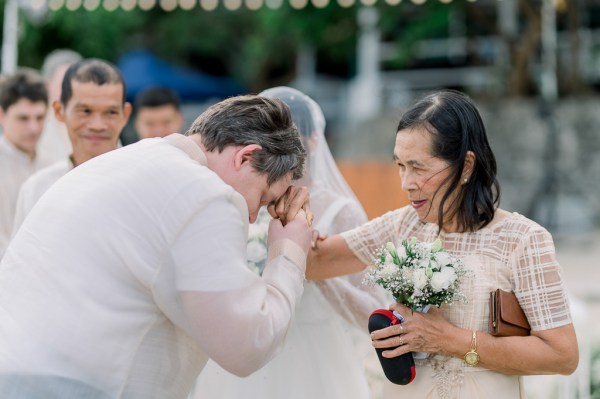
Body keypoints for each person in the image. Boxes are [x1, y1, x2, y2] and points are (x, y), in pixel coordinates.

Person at [0, 94, 313, 399]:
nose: (253, 216)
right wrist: (289, 252)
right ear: (245, 157)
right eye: (263, 198)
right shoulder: (206, 194)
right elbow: (246, 345)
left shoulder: (123, 161)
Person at [275, 90, 579, 398]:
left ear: (467, 166)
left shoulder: (523, 239)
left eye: (418, 167)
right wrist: (285, 203)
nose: (406, 182)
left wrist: (448, 339)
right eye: (400, 166)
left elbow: (562, 355)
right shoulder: (403, 224)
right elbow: (316, 262)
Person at [192, 87, 386, 399]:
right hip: (246, 344)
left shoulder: (341, 211)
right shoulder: (240, 196)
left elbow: (372, 307)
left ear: (312, 140)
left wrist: (312, 267)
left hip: (315, 352)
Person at [12, 58, 131, 232]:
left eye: (110, 112)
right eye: (85, 111)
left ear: (125, 114)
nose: (97, 125)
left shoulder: (144, 185)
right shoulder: (37, 190)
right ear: (60, 111)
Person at [0, 68, 52, 259]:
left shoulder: (53, 163)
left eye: (40, 117)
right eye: (23, 118)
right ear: (1, 115)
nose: (33, 128)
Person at [37, 48, 83, 163]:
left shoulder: (94, 123)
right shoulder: (35, 124)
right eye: (63, 85)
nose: (70, 92)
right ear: (47, 84)